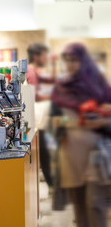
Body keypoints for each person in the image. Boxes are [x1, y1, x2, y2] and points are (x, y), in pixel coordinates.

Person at [51, 43, 111, 227]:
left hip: (97, 153)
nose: (70, 64)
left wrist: (103, 121)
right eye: (67, 60)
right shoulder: (60, 87)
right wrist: (61, 124)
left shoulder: (99, 85)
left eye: (74, 60)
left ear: (83, 61)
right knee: (79, 207)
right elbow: (54, 121)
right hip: (70, 155)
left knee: (95, 205)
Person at [26, 43, 56, 187]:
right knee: (43, 152)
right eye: (44, 55)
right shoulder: (30, 72)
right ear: (36, 55)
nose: (46, 58)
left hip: (37, 118)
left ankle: (52, 183)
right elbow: (34, 96)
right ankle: (52, 184)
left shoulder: (33, 71)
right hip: (36, 119)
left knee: (44, 152)